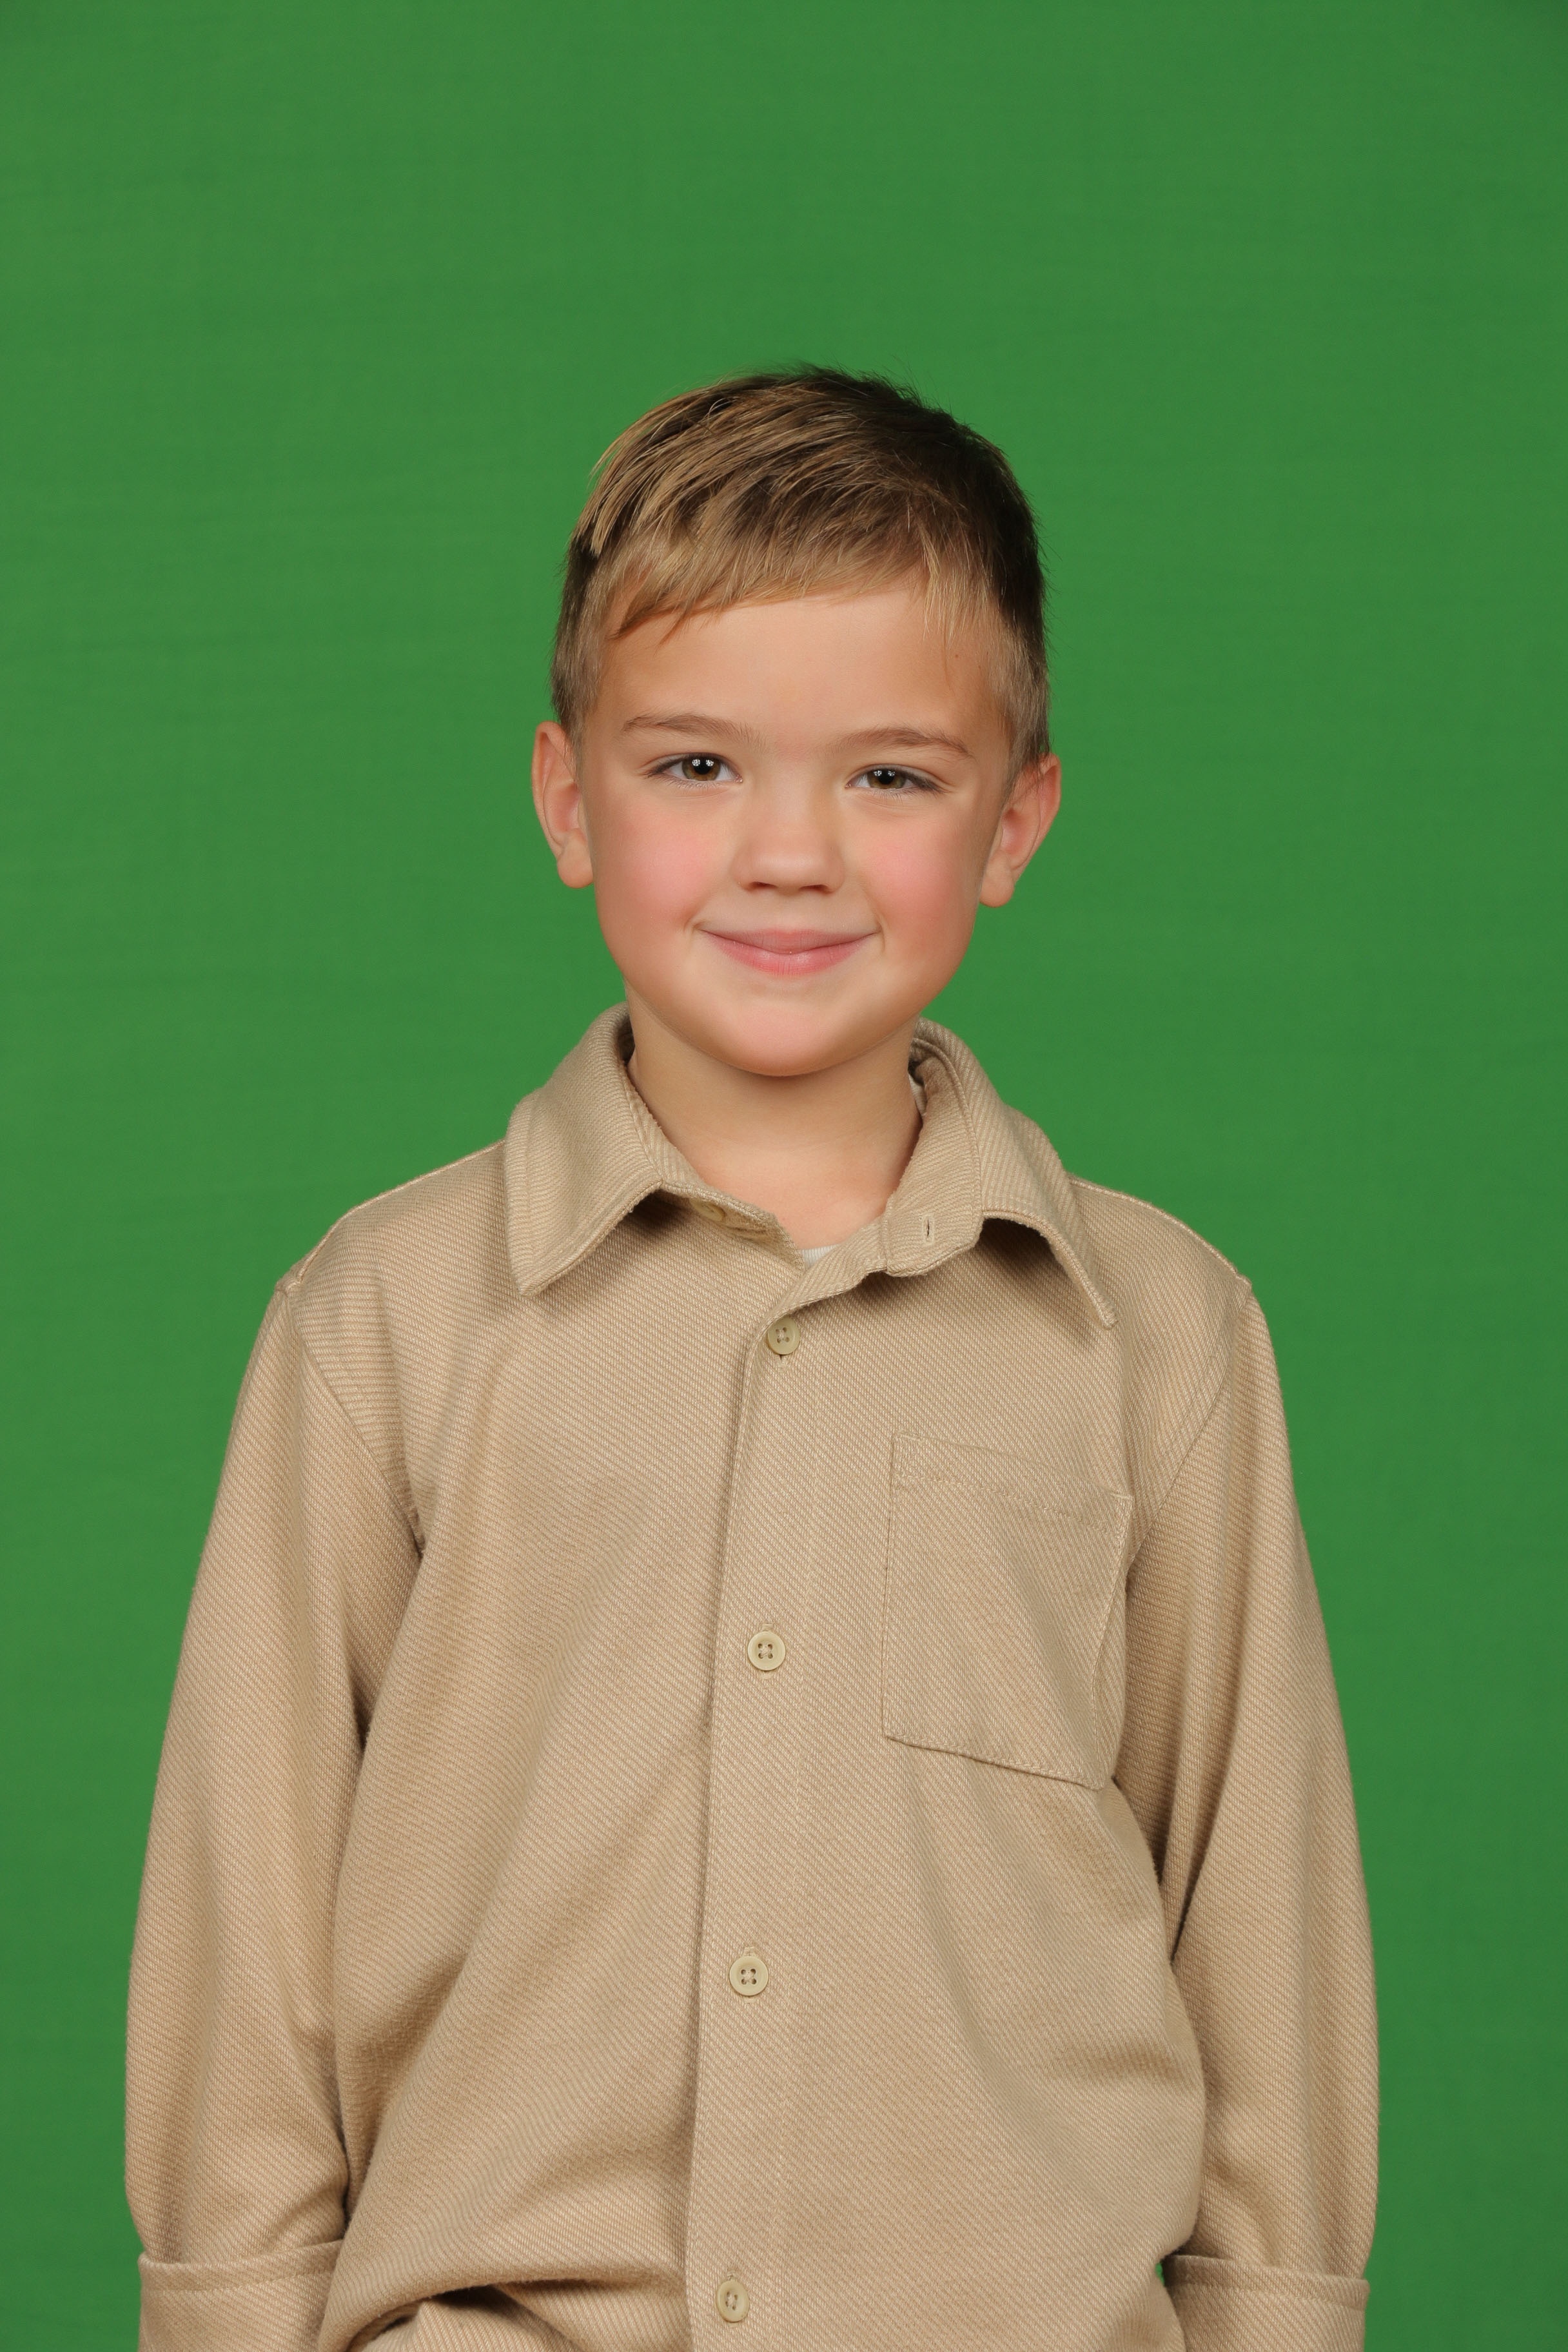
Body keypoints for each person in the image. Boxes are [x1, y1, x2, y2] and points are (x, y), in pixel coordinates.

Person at [128, 369, 1377, 2352]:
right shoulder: (383, 1321)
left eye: (891, 777)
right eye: (698, 764)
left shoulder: (1161, 1339)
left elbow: (1258, 1917)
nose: (790, 853)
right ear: (569, 801)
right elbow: (249, 1918)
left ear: (1015, 820)